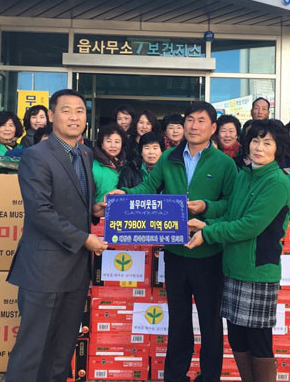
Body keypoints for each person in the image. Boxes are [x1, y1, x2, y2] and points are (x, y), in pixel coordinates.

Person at [114, 101, 238, 382]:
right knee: (178, 320)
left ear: (213, 128)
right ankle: (175, 376)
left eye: (201, 121)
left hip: (209, 254)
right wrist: (125, 194)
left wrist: (205, 207)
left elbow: (231, 204)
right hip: (174, 252)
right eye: (190, 120)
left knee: (209, 322)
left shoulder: (225, 164)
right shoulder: (169, 157)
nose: (193, 126)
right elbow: (149, 187)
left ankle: (209, 377)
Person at [5, 89, 107, 382]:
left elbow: (73, 202)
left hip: (76, 270)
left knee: (62, 352)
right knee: (32, 351)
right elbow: (40, 211)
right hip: (44, 270)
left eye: (80, 111)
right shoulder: (36, 155)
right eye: (66, 110)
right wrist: (84, 239)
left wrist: (94, 210)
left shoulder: (85, 153)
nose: (74, 117)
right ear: (51, 116)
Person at [185, 119, 290, 382]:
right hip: (233, 268)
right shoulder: (245, 174)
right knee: (237, 338)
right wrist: (206, 221)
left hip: (257, 271)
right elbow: (232, 214)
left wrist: (207, 233)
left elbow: (248, 226)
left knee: (258, 341)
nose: (259, 147)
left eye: (267, 143)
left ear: (277, 148)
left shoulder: (277, 182)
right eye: (255, 140)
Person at [92, 123, 127, 203]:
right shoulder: (93, 166)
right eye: (108, 141)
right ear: (102, 144)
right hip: (100, 209)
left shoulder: (126, 165)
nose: (113, 145)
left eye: (117, 142)